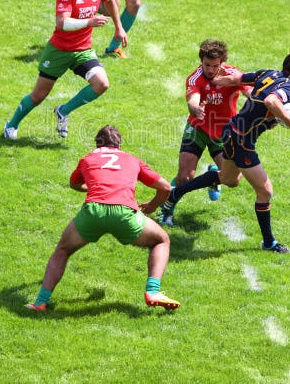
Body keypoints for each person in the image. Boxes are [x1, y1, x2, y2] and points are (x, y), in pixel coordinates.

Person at [159, 53, 290, 253]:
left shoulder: (269, 74)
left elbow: (238, 79)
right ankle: (269, 243)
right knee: (265, 191)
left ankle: (177, 192)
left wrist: (214, 80)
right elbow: (272, 102)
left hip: (231, 131)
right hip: (242, 142)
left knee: (228, 179)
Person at [25, 125, 180, 312]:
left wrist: (92, 186)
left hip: (93, 212)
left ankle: (40, 302)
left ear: (97, 144)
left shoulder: (88, 159)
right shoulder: (132, 159)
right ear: (119, 144)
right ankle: (153, 291)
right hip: (124, 213)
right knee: (161, 240)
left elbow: (74, 183)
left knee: (63, 250)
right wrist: (153, 205)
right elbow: (165, 187)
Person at [3, 0, 126, 140]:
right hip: (59, 51)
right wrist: (89, 22)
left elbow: (110, 2)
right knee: (38, 96)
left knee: (102, 84)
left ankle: (63, 111)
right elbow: (62, 23)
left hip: (82, 50)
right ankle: (11, 126)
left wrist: (119, 28)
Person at [160, 39, 251, 227]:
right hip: (198, 129)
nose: (210, 70)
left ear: (222, 63)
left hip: (224, 132)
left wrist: (261, 102)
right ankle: (167, 211)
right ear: (201, 61)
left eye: (215, 66)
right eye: (206, 65)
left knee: (233, 181)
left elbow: (249, 91)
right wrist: (196, 109)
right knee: (185, 177)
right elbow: (193, 99)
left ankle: (213, 176)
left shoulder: (233, 75)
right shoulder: (195, 78)